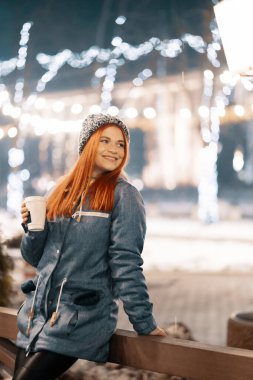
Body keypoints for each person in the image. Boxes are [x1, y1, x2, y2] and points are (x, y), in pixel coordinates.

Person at [13, 113, 166, 380]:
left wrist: (144, 322)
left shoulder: (124, 195)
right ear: (87, 145)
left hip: (78, 321)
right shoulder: (61, 190)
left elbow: (126, 262)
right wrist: (32, 228)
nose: (114, 149)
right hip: (35, 317)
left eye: (120, 144)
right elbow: (34, 257)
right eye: (105, 140)